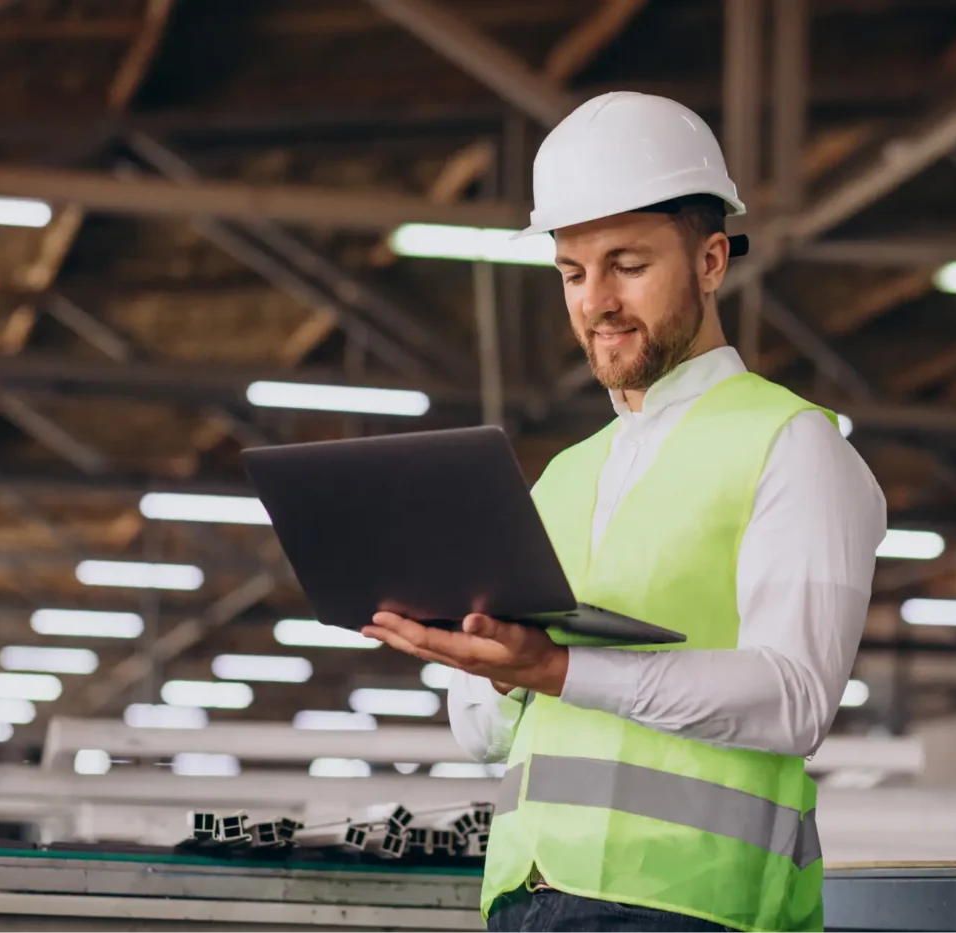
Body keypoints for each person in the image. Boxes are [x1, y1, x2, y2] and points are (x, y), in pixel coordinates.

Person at [361, 91, 886, 933]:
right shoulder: (561, 477)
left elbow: (797, 698)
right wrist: (488, 666)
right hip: (526, 899)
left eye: (628, 265)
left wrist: (558, 670)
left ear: (712, 261)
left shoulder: (792, 445)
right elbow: (484, 736)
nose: (595, 300)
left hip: (696, 909)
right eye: (572, 271)